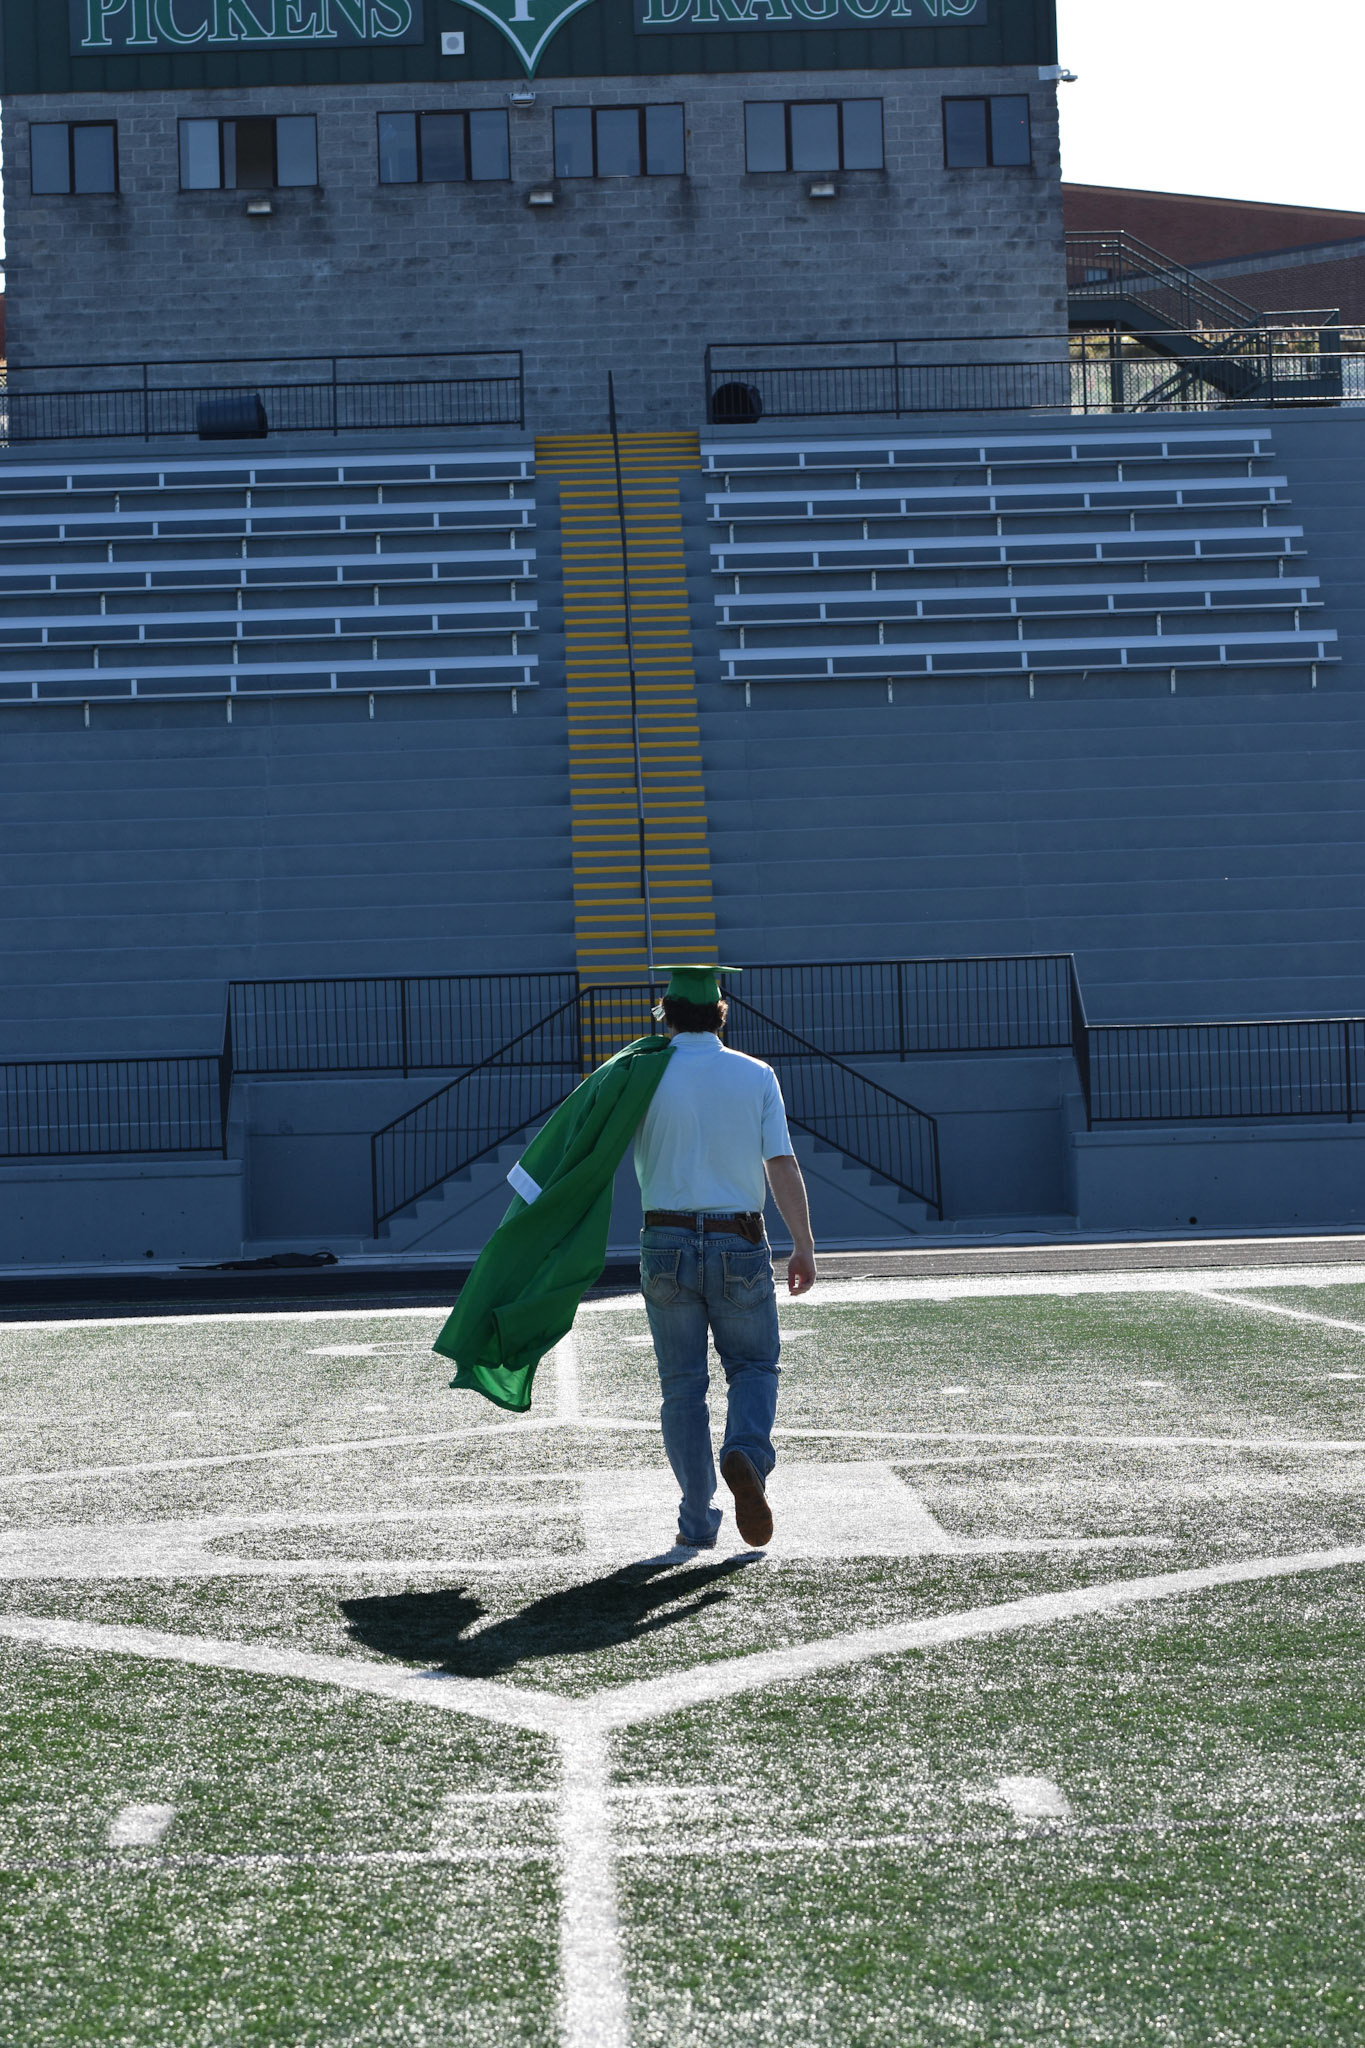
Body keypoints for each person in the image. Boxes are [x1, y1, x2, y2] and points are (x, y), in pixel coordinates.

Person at [633, 965, 817, 1552]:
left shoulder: (638, 1074)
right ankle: (746, 1453)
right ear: (720, 1014)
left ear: (666, 1015)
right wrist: (803, 1243)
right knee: (755, 1367)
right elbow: (780, 1162)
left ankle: (696, 1519)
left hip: (664, 1240)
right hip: (738, 1237)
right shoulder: (756, 1074)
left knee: (682, 1387)